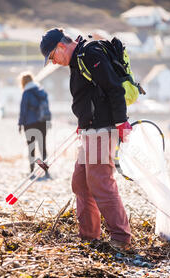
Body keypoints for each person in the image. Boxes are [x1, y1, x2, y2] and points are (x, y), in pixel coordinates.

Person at [40, 28, 132, 250]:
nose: (53, 62)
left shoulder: (89, 54)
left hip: (103, 129)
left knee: (100, 181)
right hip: (90, 129)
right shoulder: (78, 60)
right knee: (80, 182)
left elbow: (114, 88)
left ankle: (121, 238)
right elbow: (89, 95)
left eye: (52, 57)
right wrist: (83, 123)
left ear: (61, 46)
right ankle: (89, 235)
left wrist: (121, 123)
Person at [18, 71, 51, 180]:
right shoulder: (41, 91)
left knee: (32, 148)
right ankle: (45, 171)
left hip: (30, 123)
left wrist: (20, 124)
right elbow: (47, 108)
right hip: (42, 122)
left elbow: (23, 110)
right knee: (43, 148)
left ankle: (32, 171)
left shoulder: (26, 93)